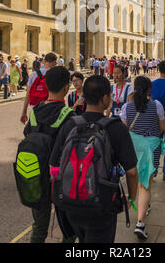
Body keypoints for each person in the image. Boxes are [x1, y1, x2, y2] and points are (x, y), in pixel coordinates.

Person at [49, 75, 138, 244]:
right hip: (101, 205)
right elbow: (132, 172)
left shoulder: (70, 125)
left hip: (71, 203)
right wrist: (131, 198)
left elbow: (54, 166)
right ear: (105, 98)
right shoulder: (116, 128)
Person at [23, 66, 76, 243]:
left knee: (38, 228)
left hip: (36, 176)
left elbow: (27, 135)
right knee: (69, 229)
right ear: (66, 88)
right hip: (62, 180)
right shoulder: (69, 116)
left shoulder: (35, 112)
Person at [121, 76, 165, 240]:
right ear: (149, 90)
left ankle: (143, 206)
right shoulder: (157, 105)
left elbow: (124, 130)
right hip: (151, 148)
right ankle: (140, 223)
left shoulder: (127, 107)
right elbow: (161, 128)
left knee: (138, 180)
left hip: (133, 149)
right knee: (145, 185)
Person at [20, 52, 58, 124]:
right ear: (54, 62)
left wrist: (24, 112)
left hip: (36, 110)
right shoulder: (56, 74)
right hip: (51, 110)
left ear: (44, 61)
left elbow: (28, 95)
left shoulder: (34, 74)